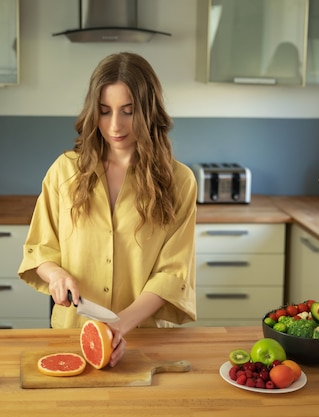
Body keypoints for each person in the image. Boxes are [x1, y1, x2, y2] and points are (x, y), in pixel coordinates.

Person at [18, 52, 197, 367]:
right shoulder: (64, 171)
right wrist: (56, 274)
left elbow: (172, 273)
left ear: (149, 111)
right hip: (73, 335)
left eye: (128, 112)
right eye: (104, 111)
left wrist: (120, 324)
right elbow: (39, 249)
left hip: (147, 340)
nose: (115, 126)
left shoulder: (179, 181)